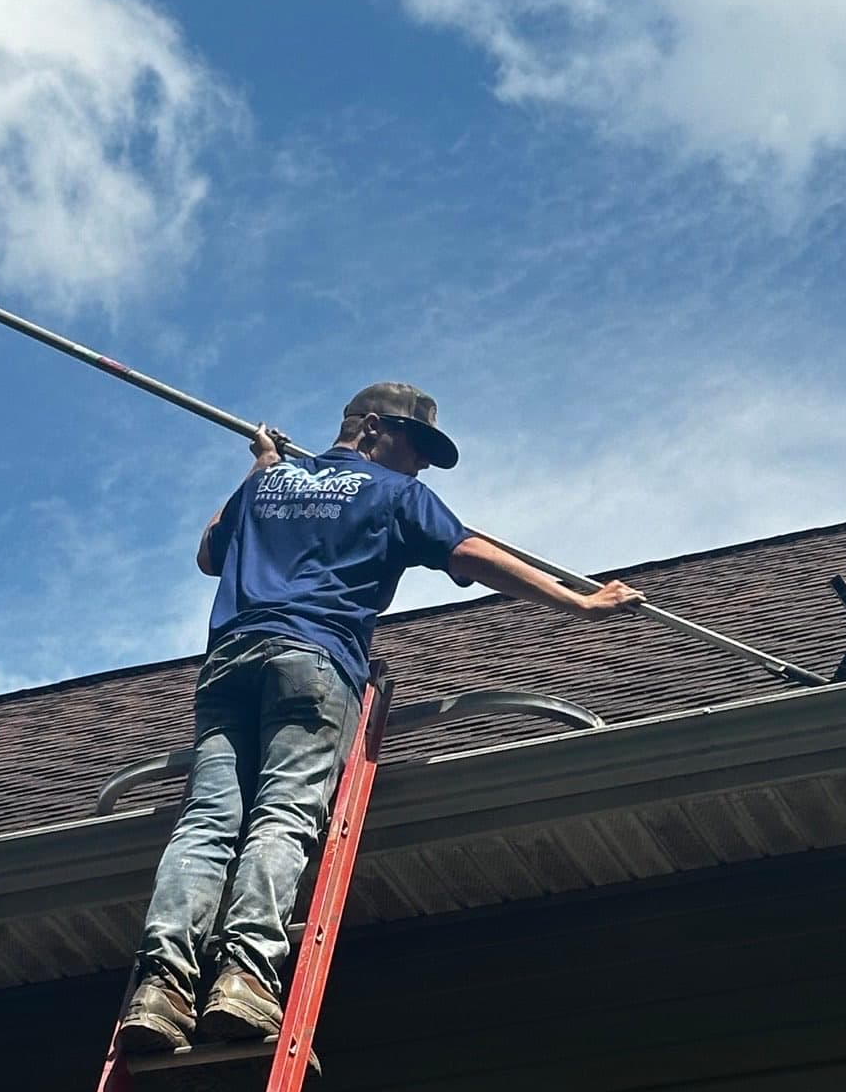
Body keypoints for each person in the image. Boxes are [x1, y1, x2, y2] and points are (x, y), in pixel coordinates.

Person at [118, 382, 643, 1054]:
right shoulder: (395, 496)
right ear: (371, 429)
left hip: (229, 665)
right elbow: (472, 554)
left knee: (209, 823)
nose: (420, 464)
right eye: (414, 445)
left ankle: (161, 987)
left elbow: (208, 555)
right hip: (312, 663)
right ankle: (244, 976)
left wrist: (262, 465)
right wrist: (581, 603)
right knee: (283, 815)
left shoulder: (266, 484)